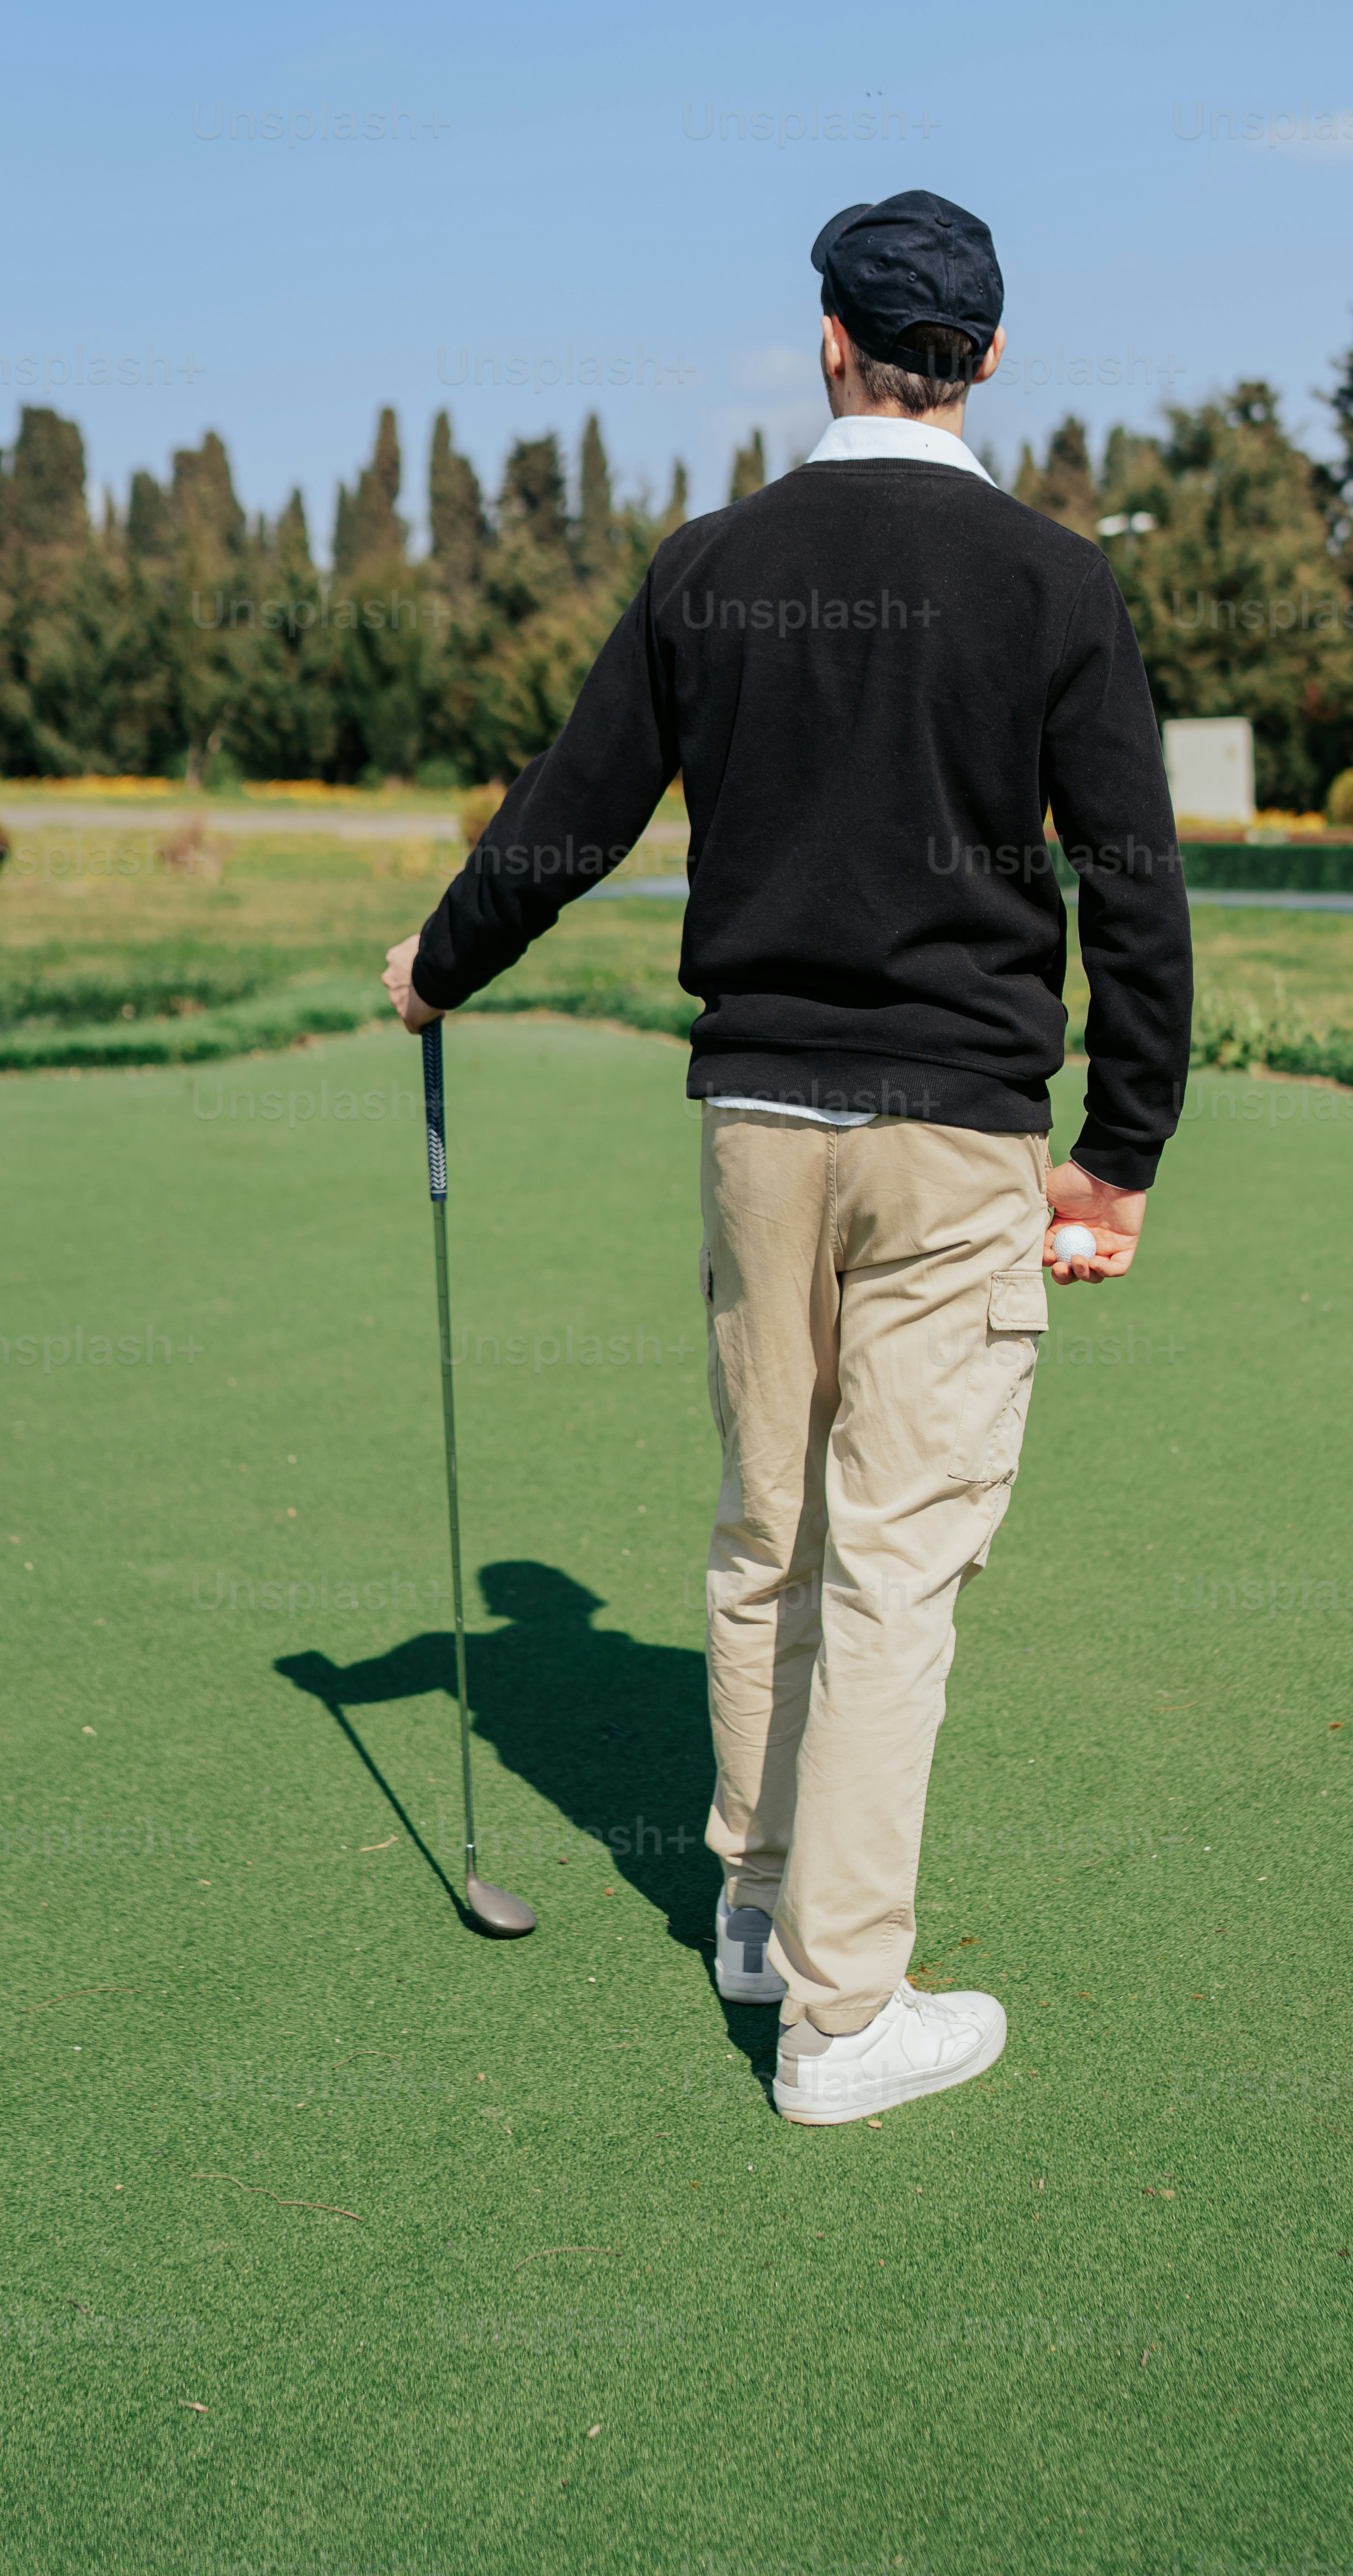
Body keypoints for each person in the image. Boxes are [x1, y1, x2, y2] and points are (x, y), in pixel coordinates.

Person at [383, 189, 1193, 2124]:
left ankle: (752, 1906)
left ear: (823, 337)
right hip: (961, 1135)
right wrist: (1122, 1155)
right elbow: (1137, 897)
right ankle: (837, 2018)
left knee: (768, 1527)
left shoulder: (712, 565)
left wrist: (441, 960)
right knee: (892, 1562)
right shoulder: (1053, 582)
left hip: (758, 1120)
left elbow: (565, 816)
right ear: (986, 360)